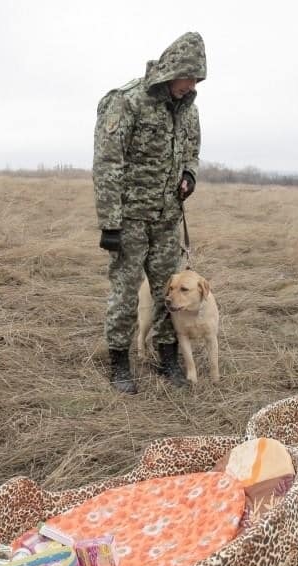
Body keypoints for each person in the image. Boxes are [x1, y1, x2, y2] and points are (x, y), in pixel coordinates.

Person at [93, 32, 206, 394]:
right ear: (171, 70)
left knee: (167, 294)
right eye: (188, 78)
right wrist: (111, 223)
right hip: (130, 222)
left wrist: (189, 174)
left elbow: (192, 149)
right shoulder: (127, 102)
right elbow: (108, 164)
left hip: (168, 220)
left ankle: (168, 358)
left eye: (197, 81)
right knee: (125, 294)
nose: (191, 86)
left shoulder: (188, 107)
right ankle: (119, 363)